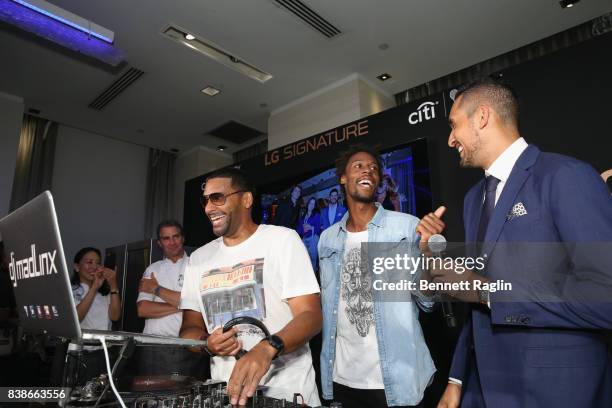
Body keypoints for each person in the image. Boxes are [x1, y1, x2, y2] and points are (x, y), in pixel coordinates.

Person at [418, 79, 612, 408]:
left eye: (454, 125)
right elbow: (477, 302)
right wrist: (457, 378)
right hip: (486, 388)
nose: (451, 139)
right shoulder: (472, 198)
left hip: (557, 391)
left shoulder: (565, 176)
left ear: (482, 117)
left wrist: (487, 290)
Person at [179, 167, 322, 406]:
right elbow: (189, 329)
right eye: (205, 200)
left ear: (246, 199)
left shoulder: (282, 240)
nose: (208, 208)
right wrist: (206, 344)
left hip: (289, 394)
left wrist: (267, 348)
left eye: (218, 198)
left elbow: (311, 316)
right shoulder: (198, 259)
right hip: (228, 397)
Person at [318, 145, 436, 408]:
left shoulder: (406, 227)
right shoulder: (327, 239)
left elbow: (427, 301)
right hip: (341, 380)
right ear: (343, 178)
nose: (368, 170)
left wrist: (428, 253)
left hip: (396, 380)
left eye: (373, 168)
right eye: (358, 166)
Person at [136, 220, 207, 377]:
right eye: (166, 238)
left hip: (188, 346)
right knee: (150, 397)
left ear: (183, 238)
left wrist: (156, 289)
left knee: (186, 399)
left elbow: (203, 303)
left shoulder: (198, 267)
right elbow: (143, 309)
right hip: (152, 345)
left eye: (175, 236)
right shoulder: (153, 269)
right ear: (159, 243)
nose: (172, 242)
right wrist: (184, 304)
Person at [71, 247, 121, 381]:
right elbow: (76, 319)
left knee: (104, 397)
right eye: (89, 262)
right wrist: (94, 288)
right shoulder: (71, 291)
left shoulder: (104, 292)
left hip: (106, 353)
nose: (94, 266)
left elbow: (115, 316)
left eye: (97, 263)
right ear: (77, 267)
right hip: (82, 354)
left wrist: (113, 285)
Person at [297, 197, 321, 269]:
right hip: (304, 238)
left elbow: (318, 228)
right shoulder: (303, 215)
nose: (311, 205)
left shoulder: (317, 215)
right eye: (310, 203)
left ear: (315, 206)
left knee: (313, 257)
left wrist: (311, 227)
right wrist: (303, 229)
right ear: (308, 204)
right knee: (304, 257)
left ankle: (313, 274)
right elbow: (299, 228)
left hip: (313, 237)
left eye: (313, 204)